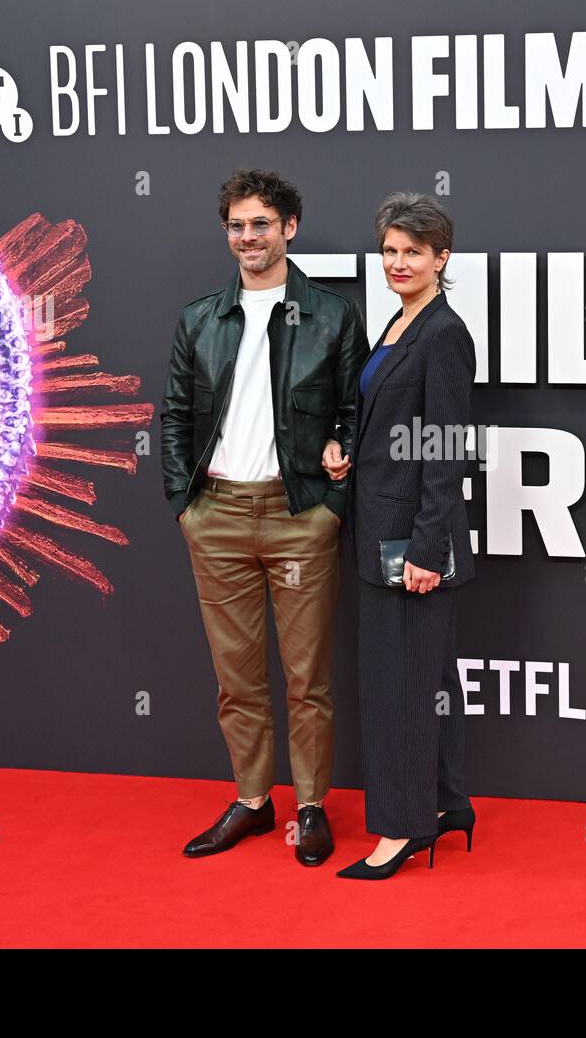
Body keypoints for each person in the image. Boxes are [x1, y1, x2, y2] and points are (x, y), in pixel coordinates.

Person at [160, 168, 368, 867]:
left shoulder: (333, 315)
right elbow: (176, 419)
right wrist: (185, 506)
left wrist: (334, 488)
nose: (249, 236)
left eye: (261, 223)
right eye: (237, 225)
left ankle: (310, 804)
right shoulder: (199, 319)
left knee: (307, 676)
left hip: (299, 514)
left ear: (290, 228)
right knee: (236, 677)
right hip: (215, 515)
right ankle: (253, 801)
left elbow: (355, 411)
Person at [332, 192, 478, 880]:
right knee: (422, 681)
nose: (397, 262)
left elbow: (447, 448)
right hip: (377, 526)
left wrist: (427, 549)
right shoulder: (397, 319)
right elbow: (391, 426)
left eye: (412, 252)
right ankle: (447, 804)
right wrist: (349, 452)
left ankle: (400, 830)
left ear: (441, 257)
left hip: (410, 543)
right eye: (389, 251)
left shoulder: (444, 333)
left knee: (398, 689)